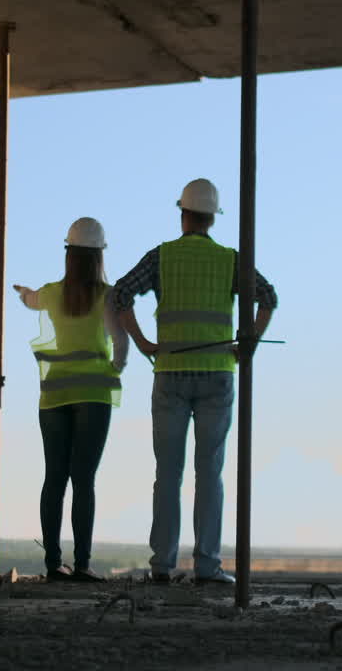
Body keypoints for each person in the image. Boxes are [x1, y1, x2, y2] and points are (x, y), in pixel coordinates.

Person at [111, 179, 278, 584]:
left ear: (182, 213)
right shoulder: (229, 260)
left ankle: (162, 567)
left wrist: (143, 341)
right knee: (210, 473)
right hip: (218, 375)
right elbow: (268, 297)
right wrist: (249, 345)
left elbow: (120, 295)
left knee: (167, 473)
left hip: (169, 375)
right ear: (212, 218)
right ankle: (208, 566)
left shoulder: (162, 257)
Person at [13, 217, 129, 582]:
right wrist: (117, 366)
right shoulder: (107, 297)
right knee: (84, 480)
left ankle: (52, 565)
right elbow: (121, 342)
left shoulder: (50, 293)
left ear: (68, 253)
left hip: (55, 395)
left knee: (54, 478)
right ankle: (82, 565)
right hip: (94, 394)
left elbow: (31, 301)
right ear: (99, 256)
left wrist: (24, 293)